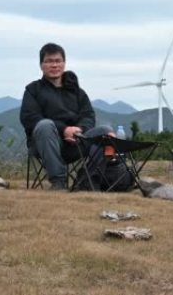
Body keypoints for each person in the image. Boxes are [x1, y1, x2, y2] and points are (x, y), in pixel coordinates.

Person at [20, 43, 113, 190]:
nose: (54, 65)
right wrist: (64, 130)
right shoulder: (33, 90)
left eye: (58, 61)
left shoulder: (76, 91)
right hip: (45, 142)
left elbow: (88, 115)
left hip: (76, 142)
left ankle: (86, 182)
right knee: (45, 125)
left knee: (106, 131)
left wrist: (79, 130)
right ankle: (58, 182)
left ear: (64, 63)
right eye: (49, 61)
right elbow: (30, 118)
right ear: (41, 65)